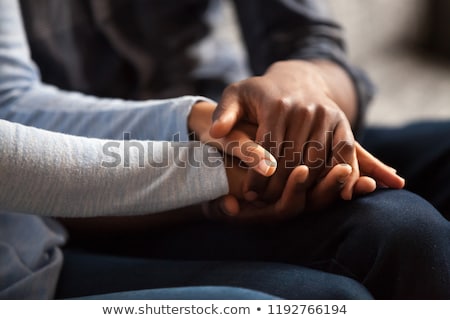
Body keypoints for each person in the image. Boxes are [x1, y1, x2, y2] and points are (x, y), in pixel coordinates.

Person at [1, 0, 449, 299]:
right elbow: (13, 108)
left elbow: (313, 42)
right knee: (398, 231)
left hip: (239, 131)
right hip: (79, 190)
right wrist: (219, 163)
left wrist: (305, 85)